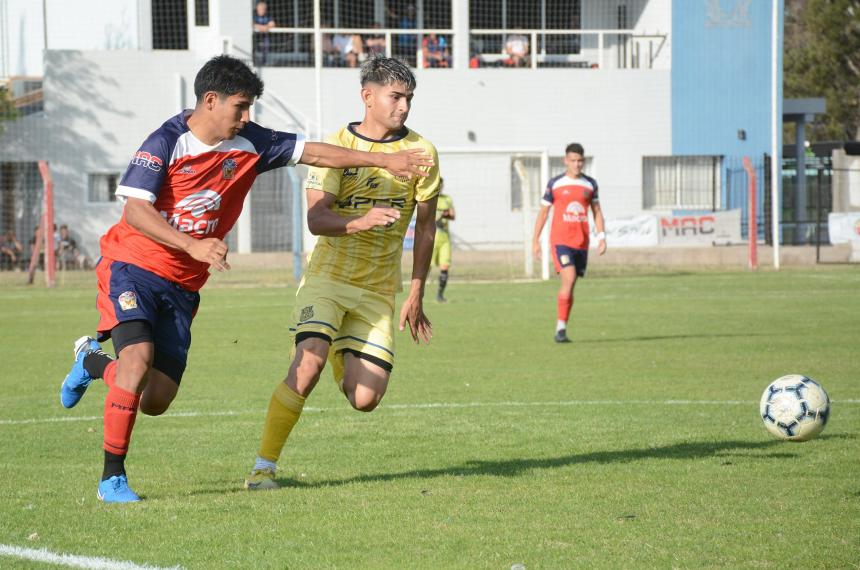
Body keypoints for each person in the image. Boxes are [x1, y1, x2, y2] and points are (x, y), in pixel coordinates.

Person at [58, 55, 432, 503]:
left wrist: (382, 163)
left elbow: (314, 151)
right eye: (240, 106)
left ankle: (90, 361)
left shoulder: (250, 141)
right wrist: (193, 244)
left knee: (154, 399)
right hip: (132, 267)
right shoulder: (165, 142)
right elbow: (135, 211)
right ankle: (111, 479)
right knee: (136, 362)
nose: (247, 116)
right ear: (210, 100)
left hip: (183, 284)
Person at [244, 55, 439, 491]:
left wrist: (416, 291)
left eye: (408, 98)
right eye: (395, 97)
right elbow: (316, 220)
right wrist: (361, 220)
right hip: (328, 279)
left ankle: (340, 351)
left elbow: (426, 225)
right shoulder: (334, 146)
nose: (403, 107)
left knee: (365, 399)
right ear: (367, 96)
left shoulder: (423, 153)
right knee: (306, 363)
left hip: (377, 289)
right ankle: (263, 468)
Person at [531, 143, 606, 343]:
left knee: (571, 284)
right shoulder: (555, 183)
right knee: (569, 277)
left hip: (581, 243)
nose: (577, 164)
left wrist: (601, 236)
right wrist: (535, 240)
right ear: (566, 161)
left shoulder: (590, 184)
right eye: (573, 160)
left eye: (580, 161)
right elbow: (543, 212)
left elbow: (597, 212)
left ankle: (562, 326)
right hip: (560, 241)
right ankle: (560, 329)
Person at [431, 179, 454, 302]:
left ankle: (440, 295)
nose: (440, 187)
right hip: (431, 238)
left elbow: (452, 215)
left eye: (441, 185)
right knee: (425, 268)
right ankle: (418, 294)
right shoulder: (428, 197)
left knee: (444, 267)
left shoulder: (447, 199)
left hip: (445, 238)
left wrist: (445, 215)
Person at [253, 1, 276, 66]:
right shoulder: (254, 15)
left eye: (263, 9)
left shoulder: (268, 15)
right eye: (260, 9)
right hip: (255, 36)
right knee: (253, 47)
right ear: (257, 9)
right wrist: (260, 27)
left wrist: (266, 27)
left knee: (266, 46)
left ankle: (264, 62)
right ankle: (254, 60)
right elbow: (251, 23)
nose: (261, 11)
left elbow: (272, 24)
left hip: (264, 36)